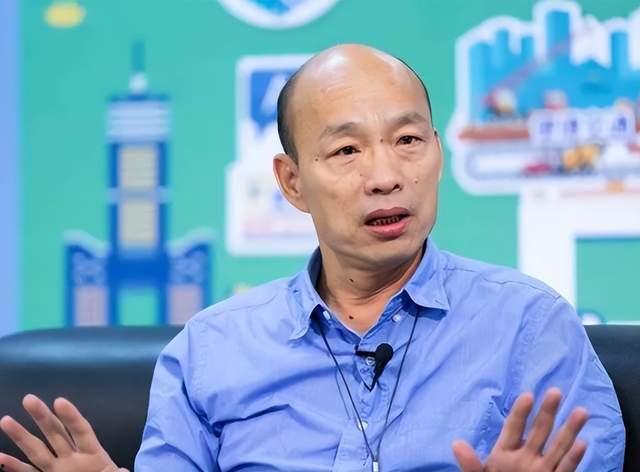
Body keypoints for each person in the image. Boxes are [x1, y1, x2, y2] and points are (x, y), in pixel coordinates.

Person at [0, 44, 625, 472]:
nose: (385, 175)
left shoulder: (530, 325)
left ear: (438, 153)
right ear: (292, 181)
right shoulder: (210, 351)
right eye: (347, 150)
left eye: (408, 140)